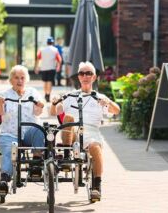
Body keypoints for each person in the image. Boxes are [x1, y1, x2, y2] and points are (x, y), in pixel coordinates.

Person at [50, 61, 120, 200]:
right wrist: (54, 102)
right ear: (79, 77)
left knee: (95, 147)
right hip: (72, 133)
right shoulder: (70, 96)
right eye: (82, 73)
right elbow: (53, 112)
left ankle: (96, 186)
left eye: (89, 73)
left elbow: (117, 110)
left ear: (94, 77)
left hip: (91, 132)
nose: (85, 76)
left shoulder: (99, 97)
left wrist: (108, 103)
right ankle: (65, 156)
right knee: (69, 117)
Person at [0, 65, 45, 195]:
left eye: (22, 78)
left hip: (29, 132)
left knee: (39, 129)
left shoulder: (32, 92)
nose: (19, 81)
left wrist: (39, 106)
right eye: (16, 78)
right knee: (10, 149)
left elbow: (38, 113)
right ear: (11, 80)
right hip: (10, 133)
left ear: (26, 79)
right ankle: (4, 180)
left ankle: (35, 164)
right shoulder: (4, 95)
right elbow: (0, 113)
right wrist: (0, 104)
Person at [35, 36, 62, 102]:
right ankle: (48, 94)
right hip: (51, 68)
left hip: (44, 68)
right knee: (50, 82)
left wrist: (37, 67)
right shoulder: (55, 50)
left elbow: (38, 58)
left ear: (47, 43)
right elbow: (59, 59)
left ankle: (45, 94)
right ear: (52, 42)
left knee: (45, 82)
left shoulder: (42, 50)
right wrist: (58, 66)